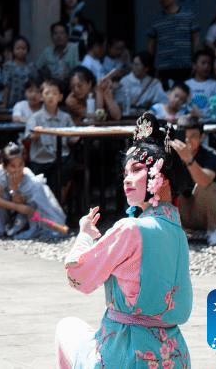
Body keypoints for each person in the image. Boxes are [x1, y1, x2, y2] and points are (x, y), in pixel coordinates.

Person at [56, 112, 193, 369]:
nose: (127, 179)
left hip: (127, 354)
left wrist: (84, 235)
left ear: (161, 179)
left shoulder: (131, 229)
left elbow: (79, 276)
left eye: (138, 169)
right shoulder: (178, 232)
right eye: (125, 173)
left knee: (67, 328)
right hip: (175, 356)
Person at [0, 142, 66, 239]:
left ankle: (20, 229)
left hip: (26, 214)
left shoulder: (29, 180)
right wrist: (17, 205)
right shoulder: (1, 173)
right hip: (11, 206)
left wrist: (20, 200)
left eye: (20, 165)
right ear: (5, 166)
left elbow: (31, 204)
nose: (17, 169)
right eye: (13, 166)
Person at [172, 115, 216, 245]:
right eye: (184, 136)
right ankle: (176, 231)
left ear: (202, 137)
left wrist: (188, 160)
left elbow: (204, 181)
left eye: (193, 136)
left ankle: (213, 231)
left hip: (206, 214)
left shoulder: (211, 155)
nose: (188, 140)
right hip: (180, 213)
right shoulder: (169, 155)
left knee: (208, 186)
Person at [25, 78, 75, 196]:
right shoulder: (35, 117)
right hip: (41, 159)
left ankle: (59, 204)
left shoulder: (66, 117)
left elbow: (73, 138)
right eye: (47, 93)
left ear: (60, 97)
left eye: (54, 93)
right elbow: (28, 137)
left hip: (61, 158)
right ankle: (53, 206)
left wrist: (76, 137)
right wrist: (35, 135)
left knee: (68, 167)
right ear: (41, 97)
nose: (51, 96)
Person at [146, 0, 200, 88]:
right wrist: (150, 67)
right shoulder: (155, 20)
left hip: (185, 66)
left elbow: (196, 41)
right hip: (163, 68)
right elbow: (150, 46)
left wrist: (196, 62)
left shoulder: (188, 16)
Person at [115, 52, 166, 119]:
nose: (134, 67)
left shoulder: (155, 84)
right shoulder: (124, 81)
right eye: (133, 64)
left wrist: (150, 105)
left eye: (137, 65)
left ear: (146, 68)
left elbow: (162, 103)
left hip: (148, 119)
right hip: (128, 118)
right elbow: (118, 103)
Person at [184, 47, 216, 120]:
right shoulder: (186, 85)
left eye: (209, 63)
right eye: (203, 63)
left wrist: (202, 115)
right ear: (194, 66)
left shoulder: (215, 85)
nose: (206, 66)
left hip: (209, 122)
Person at [0, 36, 35, 109]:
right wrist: (4, 102)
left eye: (23, 48)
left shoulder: (31, 67)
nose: (21, 51)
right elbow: (6, 86)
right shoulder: (8, 66)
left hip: (27, 102)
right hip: (11, 102)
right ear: (13, 50)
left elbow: (34, 86)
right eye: (18, 48)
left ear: (28, 50)